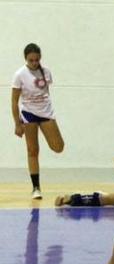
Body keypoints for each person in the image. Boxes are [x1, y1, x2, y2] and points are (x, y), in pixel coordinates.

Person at [11, 43, 64, 200]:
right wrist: (17, 123)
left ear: (40, 57)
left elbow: (44, 92)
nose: (34, 63)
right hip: (29, 114)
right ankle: (36, 187)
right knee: (32, 150)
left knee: (58, 147)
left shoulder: (46, 72)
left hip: (46, 114)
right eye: (31, 60)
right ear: (26, 59)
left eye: (37, 59)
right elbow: (14, 101)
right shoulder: (20, 74)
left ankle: (36, 186)